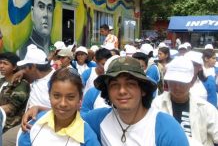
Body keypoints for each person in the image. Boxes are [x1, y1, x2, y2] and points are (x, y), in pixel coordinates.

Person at [21, 56, 189, 146]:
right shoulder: (98, 118)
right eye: (115, 85)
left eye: (130, 84)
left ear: (143, 89)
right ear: (107, 91)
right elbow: (68, 113)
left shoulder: (165, 127)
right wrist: (38, 109)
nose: (122, 91)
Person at [17, 68, 100, 146]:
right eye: (57, 96)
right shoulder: (35, 123)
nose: (63, 103)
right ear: (49, 96)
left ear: (80, 98)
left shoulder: (87, 138)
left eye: (70, 97)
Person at [152, 56, 218, 146]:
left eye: (182, 82)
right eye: (173, 82)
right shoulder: (157, 105)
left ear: (192, 81)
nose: (177, 87)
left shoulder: (206, 109)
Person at [0, 52, 30, 133]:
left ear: (14, 67)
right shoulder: (2, 81)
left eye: (5, 63)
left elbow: (11, 107)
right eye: (0, 63)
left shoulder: (21, 84)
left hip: (9, 126)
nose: (1, 66)